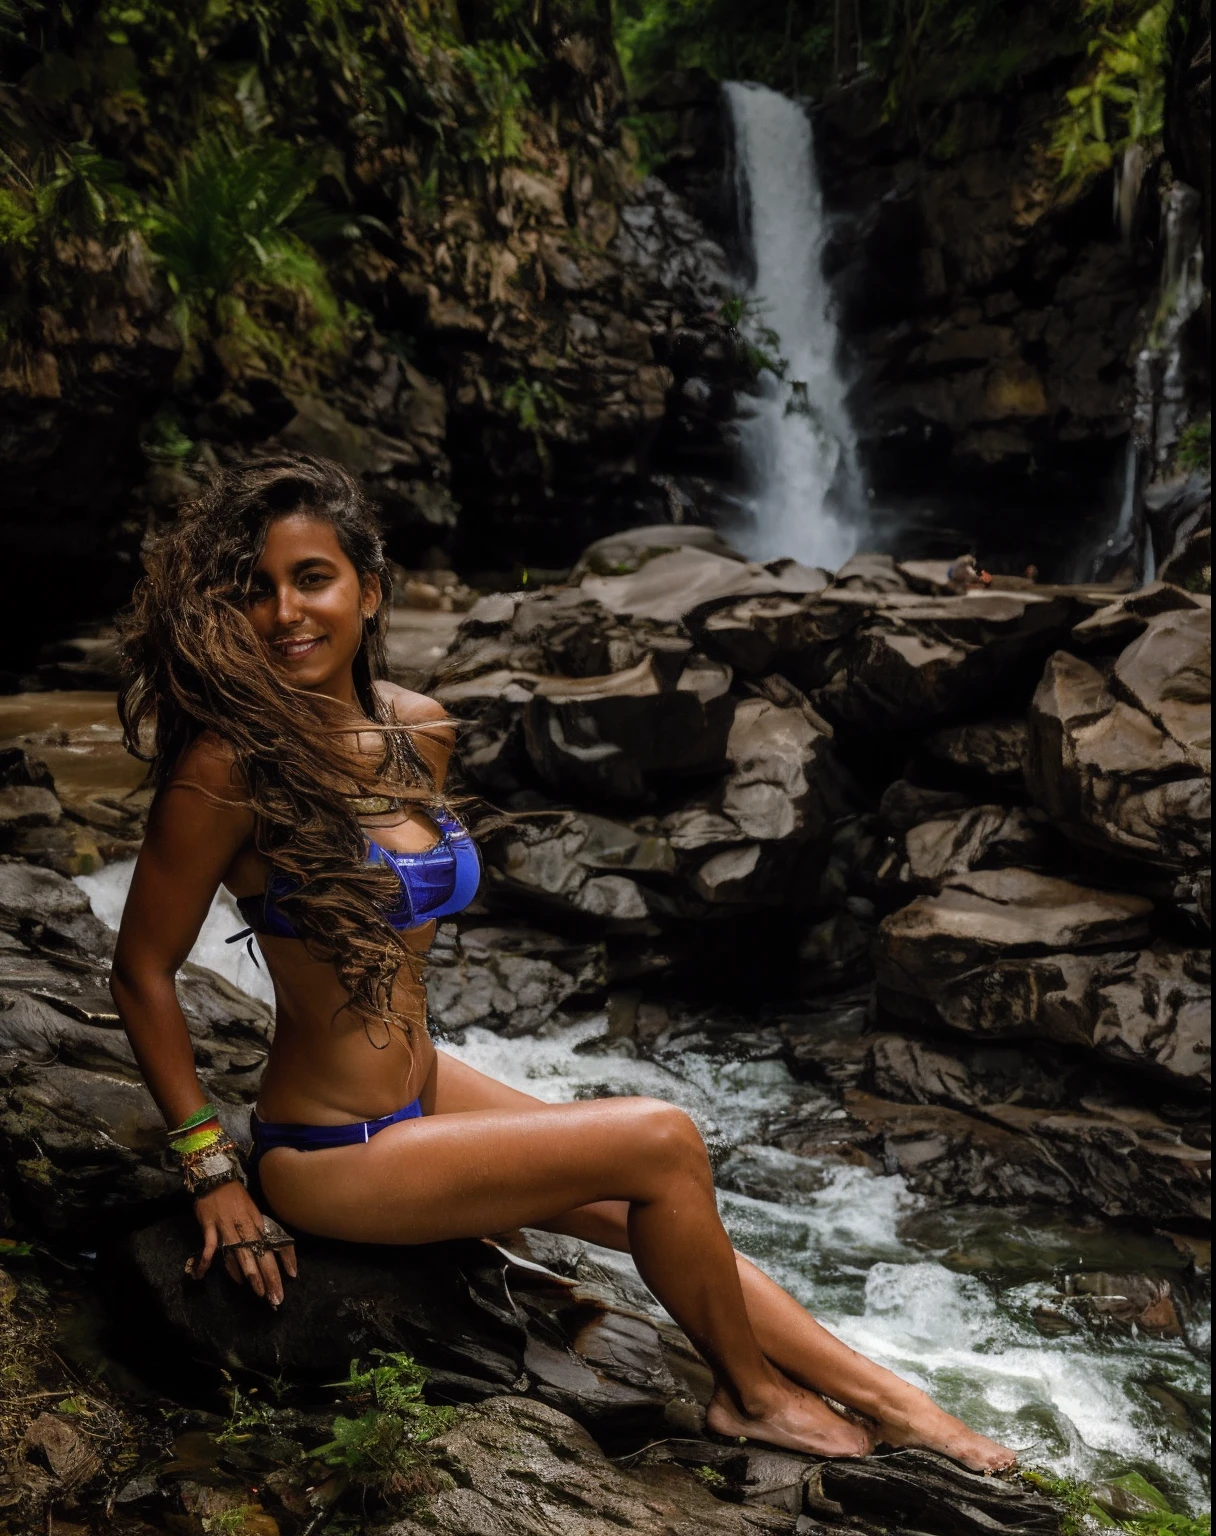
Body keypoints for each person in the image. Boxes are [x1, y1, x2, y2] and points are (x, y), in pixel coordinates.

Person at [111, 454, 1015, 1472]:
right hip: (329, 1153)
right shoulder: (227, 769)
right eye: (254, 591)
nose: (284, 612)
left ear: (367, 588)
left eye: (310, 579)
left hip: (425, 1092)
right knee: (663, 1142)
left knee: (674, 1212)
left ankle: (901, 1403)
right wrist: (209, 1173)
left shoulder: (416, 732)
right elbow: (141, 969)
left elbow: (397, 937)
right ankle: (751, 1398)